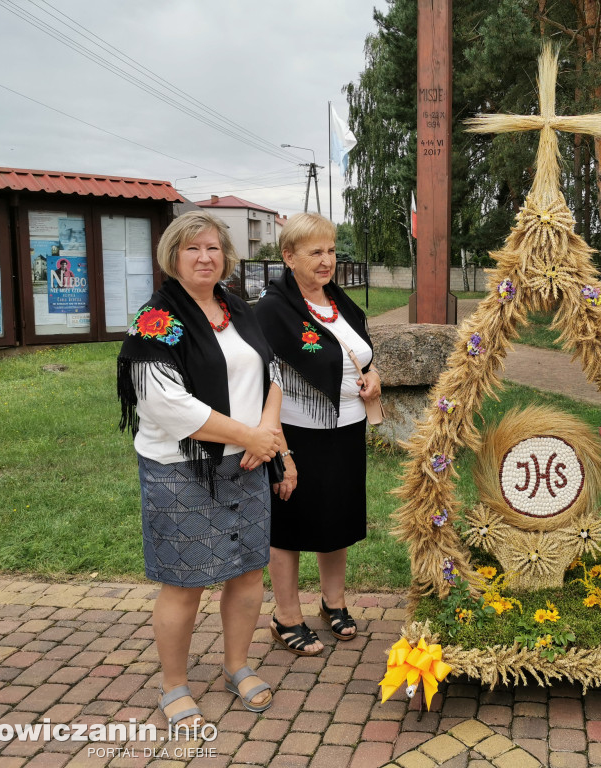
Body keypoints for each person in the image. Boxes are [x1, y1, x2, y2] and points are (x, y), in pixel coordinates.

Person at [117, 211, 282, 727]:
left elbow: (272, 371)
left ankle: (237, 664)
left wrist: (269, 434)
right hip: (181, 469)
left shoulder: (239, 309)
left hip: (249, 459)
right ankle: (174, 684)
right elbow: (167, 406)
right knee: (184, 582)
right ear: (173, 257)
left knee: (249, 571)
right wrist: (248, 435)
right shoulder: (156, 320)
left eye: (213, 247)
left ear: (225, 256)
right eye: (193, 249)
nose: (205, 257)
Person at [255, 212, 381, 655]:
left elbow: (360, 353)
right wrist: (280, 449)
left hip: (346, 430)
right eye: (315, 252)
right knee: (289, 525)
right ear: (289, 257)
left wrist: (373, 375)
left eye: (330, 250)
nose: (327, 260)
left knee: (337, 518)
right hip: (295, 434)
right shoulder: (274, 310)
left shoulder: (338, 300)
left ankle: (334, 603)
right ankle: (286, 615)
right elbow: (264, 376)